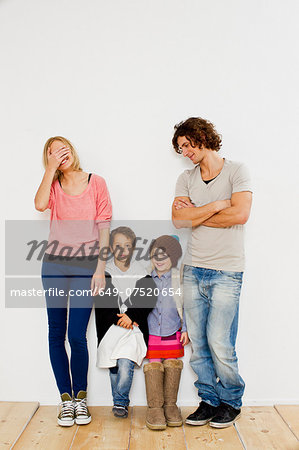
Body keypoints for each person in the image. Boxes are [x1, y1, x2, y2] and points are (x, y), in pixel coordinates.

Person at [172, 117, 253, 428]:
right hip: (193, 268)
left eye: (187, 145)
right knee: (198, 343)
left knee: (220, 341)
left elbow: (241, 214)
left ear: (202, 137)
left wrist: (196, 213)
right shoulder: (185, 178)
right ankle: (208, 400)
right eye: (180, 148)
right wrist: (219, 205)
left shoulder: (237, 171)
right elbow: (179, 220)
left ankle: (231, 401)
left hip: (227, 271)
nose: (185, 152)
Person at [34, 136, 112, 426]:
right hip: (53, 265)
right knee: (56, 333)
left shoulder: (97, 182)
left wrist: (100, 269)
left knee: (77, 335)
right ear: (49, 159)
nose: (59, 155)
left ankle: (81, 399)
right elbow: (40, 204)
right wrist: (49, 170)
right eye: (52, 153)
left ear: (72, 151)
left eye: (63, 149)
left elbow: (104, 228)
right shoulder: (53, 186)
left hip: (86, 267)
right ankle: (65, 400)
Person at [95, 226, 157, 419]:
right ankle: (118, 401)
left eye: (127, 246)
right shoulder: (105, 271)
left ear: (133, 248)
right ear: (111, 248)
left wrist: (132, 315)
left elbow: (148, 298)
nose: (123, 250)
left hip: (133, 328)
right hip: (110, 327)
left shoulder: (141, 272)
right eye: (118, 246)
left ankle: (121, 402)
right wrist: (118, 318)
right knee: (114, 366)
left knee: (125, 362)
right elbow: (102, 300)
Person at [143, 235, 190, 430]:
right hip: (152, 332)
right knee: (154, 366)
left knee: (172, 365)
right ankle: (155, 408)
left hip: (173, 330)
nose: (160, 260)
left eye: (165, 255)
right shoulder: (147, 278)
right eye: (156, 255)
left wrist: (185, 328)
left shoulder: (178, 279)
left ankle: (170, 406)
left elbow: (185, 305)